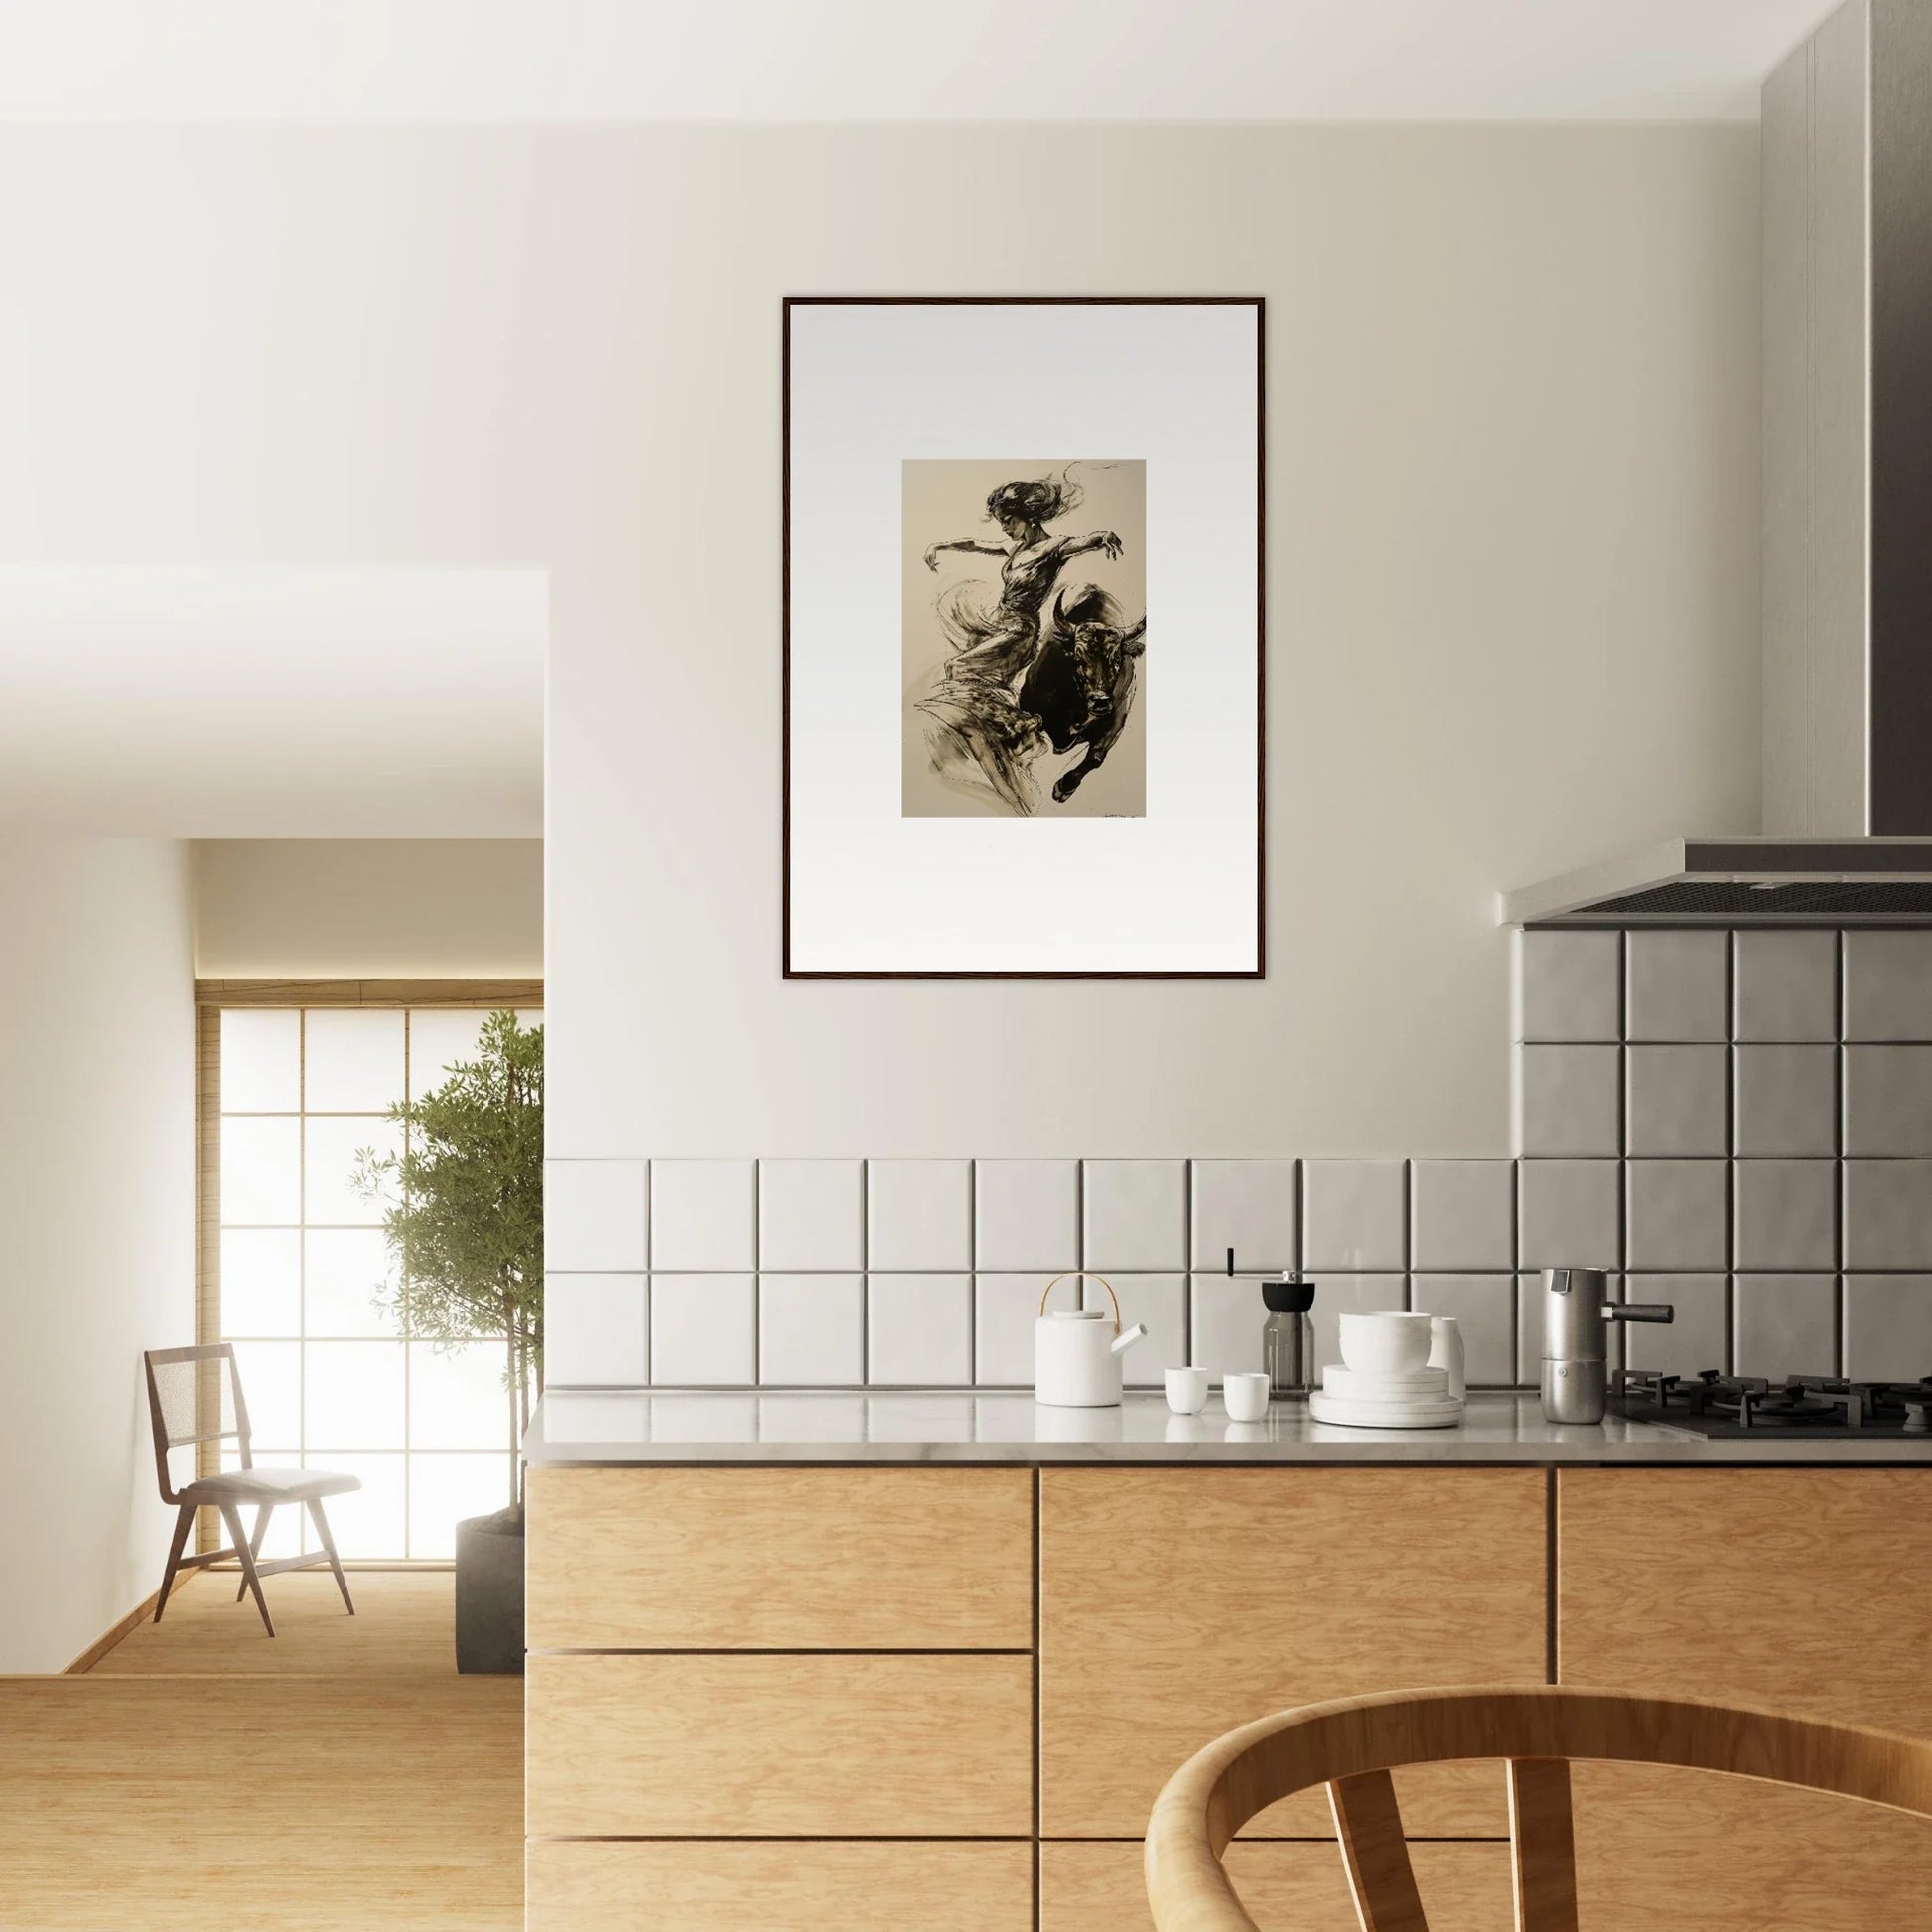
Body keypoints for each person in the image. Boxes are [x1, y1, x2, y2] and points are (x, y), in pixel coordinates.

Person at [913, 475, 1127, 814]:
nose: (1005, 530)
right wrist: (940, 545)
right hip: (998, 620)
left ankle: (1018, 729)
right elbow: (975, 544)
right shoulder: (1015, 548)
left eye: (1009, 522)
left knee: (958, 668)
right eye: (1002, 523)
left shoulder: (1050, 549)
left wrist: (1102, 536)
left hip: (1018, 631)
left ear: (1028, 518)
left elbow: (1080, 542)